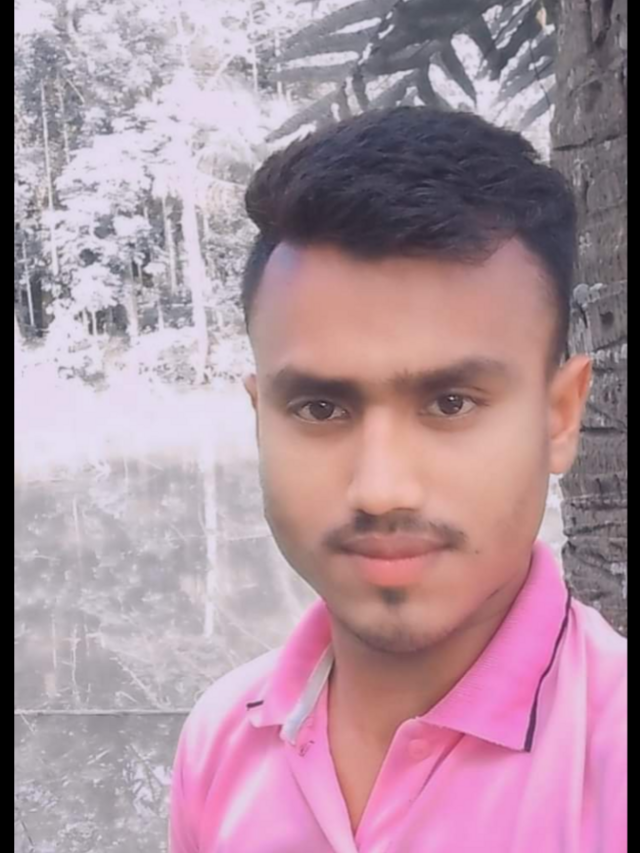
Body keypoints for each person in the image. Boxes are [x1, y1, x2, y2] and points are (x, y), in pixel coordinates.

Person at [169, 107, 627, 853]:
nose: (380, 490)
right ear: (261, 417)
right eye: (320, 408)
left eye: (451, 403)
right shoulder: (221, 741)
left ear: (559, 418)